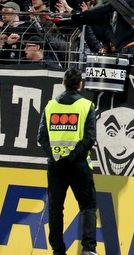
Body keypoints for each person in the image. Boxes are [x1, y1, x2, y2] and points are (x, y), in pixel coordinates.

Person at [37, 68, 98, 255]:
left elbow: (42, 137)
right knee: (88, 205)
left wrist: (58, 158)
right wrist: (71, 158)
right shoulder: (87, 106)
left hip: (55, 165)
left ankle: (57, 250)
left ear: (63, 83)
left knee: (56, 207)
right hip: (78, 165)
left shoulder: (50, 106)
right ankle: (88, 249)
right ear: (80, 84)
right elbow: (89, 139)